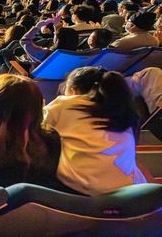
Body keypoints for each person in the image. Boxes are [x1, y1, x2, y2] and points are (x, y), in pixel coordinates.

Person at [44, 67, 145, 195]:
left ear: (73, 90)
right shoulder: (121, 111)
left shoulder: (65, 104)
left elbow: (34, 127)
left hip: (84, 189)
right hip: (130, 191)